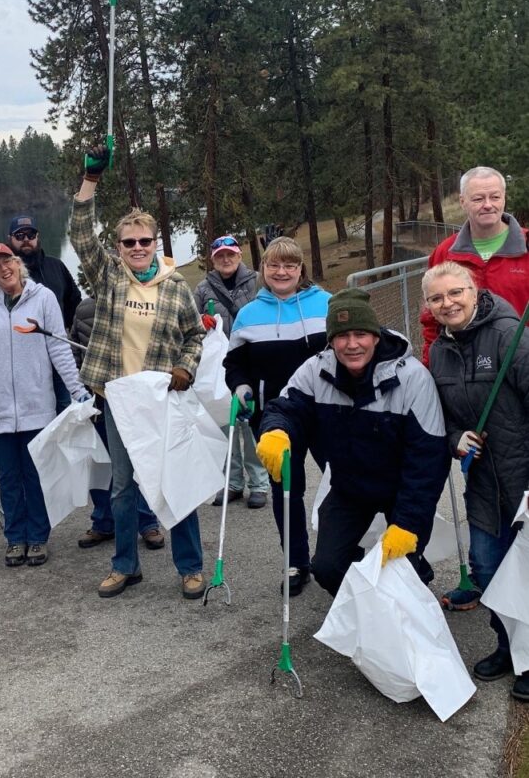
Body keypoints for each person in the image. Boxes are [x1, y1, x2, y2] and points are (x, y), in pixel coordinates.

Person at [71, 146, 206, 600]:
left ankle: (190, 567)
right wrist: (90, 180)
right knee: (124, 488)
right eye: (128, 242)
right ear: (119, 247)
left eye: (144, 241)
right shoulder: (108, 277)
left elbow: (194, 337)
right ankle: (125, 565)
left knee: (173, 482)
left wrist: (186, 368)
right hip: (117, 401)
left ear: (155, 243)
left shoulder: (175, 287)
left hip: (162, 401)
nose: (136, 248)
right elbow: (80, 236)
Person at [258, 288, 449, 597]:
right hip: (350, 487)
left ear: (375, 335)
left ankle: (413, 573)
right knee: (328, 568)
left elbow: (428, 458)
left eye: (360, 334)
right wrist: (276, 431)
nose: (352, 344)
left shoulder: (414, 377)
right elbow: (285, 408)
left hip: (401, 488)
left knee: (403, 567)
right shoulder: (316, 370)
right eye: (342, 336)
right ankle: (366, 596)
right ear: (331, 341)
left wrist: (408, 523)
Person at [423, 262, 529, 703]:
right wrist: (454, 440)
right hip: (484, 483)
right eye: (436, 298)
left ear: (473, 290)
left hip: (523, 478)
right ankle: (508, 646)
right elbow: (440, 418)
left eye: (455, 293)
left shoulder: (509, 334)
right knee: (488, 567)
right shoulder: (439, 352)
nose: (447, 303)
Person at [0, 243, 87, 568]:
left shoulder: (44, 298)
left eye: (7, 261)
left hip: (37, 405)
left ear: (17, 263)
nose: (3, 269)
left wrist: (76, 389)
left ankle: (38, 536)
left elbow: (59, 350)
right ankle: (15, 538)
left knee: (36, 476)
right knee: (8, 478)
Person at [224, 237, 331, 595]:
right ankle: (296, 563)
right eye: (274, 265)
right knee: (287, 489)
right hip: (275, 417)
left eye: (290, 265)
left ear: (301, 270)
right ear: (264, 270)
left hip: (327, 409)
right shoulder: (249, 314)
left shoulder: (326, 303)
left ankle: (342, 553)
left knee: (343, 482)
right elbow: (234, 364)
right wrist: (240, 387)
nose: (281, 272)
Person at [70, 297, 165, 551]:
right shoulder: (84, 308)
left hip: (132, 397)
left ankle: (147, 522)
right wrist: (83, 386)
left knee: (137, 463)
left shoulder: (137, 303)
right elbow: (75, 353)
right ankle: (104, 521)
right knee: (101, 462)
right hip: (97, 398)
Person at [421, 166, 529, 365]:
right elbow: (431, 320)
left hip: (520, 364)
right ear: (463, 202)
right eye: (478, 199)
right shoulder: (445, 253)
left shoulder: (526, 247)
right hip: (463, 370)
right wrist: (430, 367)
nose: (488, 205)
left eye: (495, 197)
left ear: (504, 198)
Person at [194, 235, 269, 509]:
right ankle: (232, 482)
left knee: (249, 424)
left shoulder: (257, 281)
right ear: (213, 259)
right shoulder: (203, 289)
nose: (226, 259)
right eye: (220, 256)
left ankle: (259, 483)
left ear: (239, 255)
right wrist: (201, 324)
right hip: (216, 367)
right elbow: (191, 324)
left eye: (231, 254)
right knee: (224, 425)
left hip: (250, 363)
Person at [5, 213, 82, 413]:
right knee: (32, 413)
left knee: (65, 408)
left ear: (38, 236)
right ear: (10, 239)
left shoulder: (56, 266)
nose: (26, 240)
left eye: (30, 234)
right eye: (19, 235)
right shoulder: (1, 276)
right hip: (23, 361)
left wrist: (73, 341)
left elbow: (75, 305)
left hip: (58, 354)